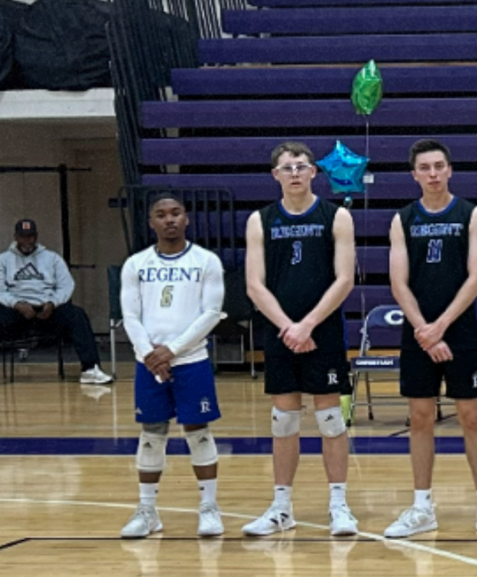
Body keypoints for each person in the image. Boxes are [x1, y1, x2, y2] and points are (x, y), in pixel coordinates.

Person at [384, 139, 477, 540]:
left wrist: (441, 326)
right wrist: (424, 329)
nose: (433, 173)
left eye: (439, 166)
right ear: (414, 174)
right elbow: (398, 282)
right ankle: (422, 507)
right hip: (418, 331)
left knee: (472, 416)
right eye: (425, 167)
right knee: (420, 417)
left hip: (460, 330)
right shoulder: (403, 219)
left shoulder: (472, 215)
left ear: (450, 170)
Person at [242, 142, 358, 537]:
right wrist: (288, 328)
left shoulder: (336, 216)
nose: (294, 173)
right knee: (284, 420)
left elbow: (344, 279)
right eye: (286, 167)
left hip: (322, 331)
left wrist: (307, 325)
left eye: (301, 166)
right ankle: (281, 508)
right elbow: (254, 285)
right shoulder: (260, 220)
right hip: (280, 333)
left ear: (313, 173)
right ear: (275, 175)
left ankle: (339, 506)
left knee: (330, 419)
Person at [117, 194, 227, 539]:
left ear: (187, 218)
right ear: (151, 222)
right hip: (148, 363)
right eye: (161, 214)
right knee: (152, 433)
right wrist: (150, 355)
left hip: (191, 360)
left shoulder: (206, 261)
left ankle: (209, 508)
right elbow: (130, 315)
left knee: (198, 431)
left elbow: (211, 313)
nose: (169, 219)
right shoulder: (135, 264)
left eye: (176, 213)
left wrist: (172, 351)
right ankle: (147, 511)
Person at [2, 218, 112, 385]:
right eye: (23, 236)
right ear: (16, 237)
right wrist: (17, 304)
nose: (27, 240)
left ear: (36, 236)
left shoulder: (52, 258)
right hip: (16, 311)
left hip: (47, 310)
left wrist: (52, 303)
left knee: (77, 315)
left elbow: (66, 286)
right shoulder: (3, 260)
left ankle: (90, 369)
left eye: (31, 236)